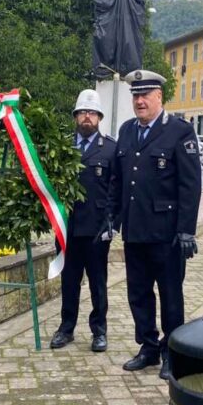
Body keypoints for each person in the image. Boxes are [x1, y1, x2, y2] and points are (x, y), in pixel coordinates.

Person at [102, 70, 201, 379]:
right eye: (135, 95)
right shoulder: (128, 130)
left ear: (160, 97)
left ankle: (173, 352)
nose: (140, 101)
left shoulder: (179, 132)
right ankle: (148, 347)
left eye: (145, 95)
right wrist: (112, 216)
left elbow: (190, 185)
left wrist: (186, 229)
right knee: (139, 294)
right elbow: (118, 179)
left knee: (171, 295)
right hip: (135, 231)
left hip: (166, 233)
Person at [49, 90, 116, 352]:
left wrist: (111, 223)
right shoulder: (62, 146)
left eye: (92, 113)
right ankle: (66, 328)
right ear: (76, 116)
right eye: (82, 113)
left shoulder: (110, 148)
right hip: (68, 228)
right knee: (69, 282)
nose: (87, 117)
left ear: (99, 117)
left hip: (97, 230)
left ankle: (99, 331)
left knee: (98, 283)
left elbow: (115, 190)